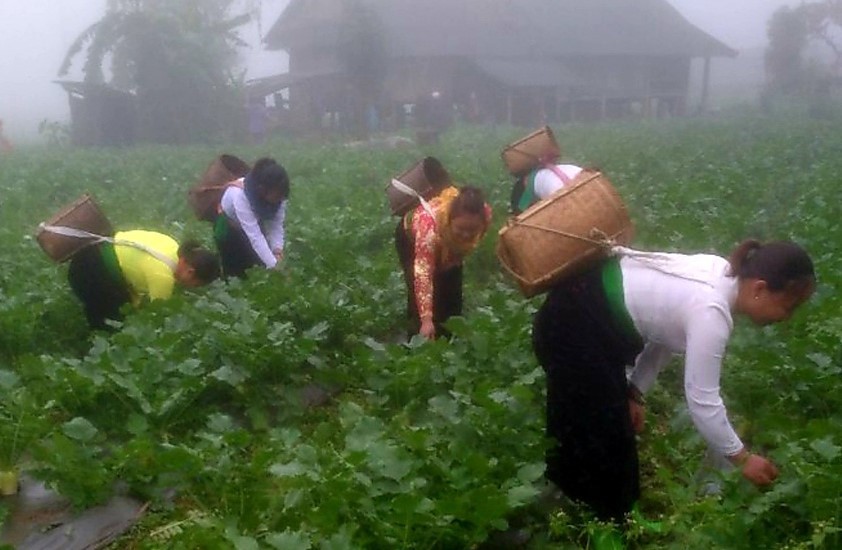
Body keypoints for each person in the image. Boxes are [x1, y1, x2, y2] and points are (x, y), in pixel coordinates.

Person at [532, 240, 815, 523]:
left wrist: (634, 392)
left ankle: (564, 505)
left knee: (587, 427)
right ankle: (599, 526)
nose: (786, 318)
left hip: (577, 315)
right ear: (759, 289)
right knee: (607, 449)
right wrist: (742, 458)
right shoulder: (711, 310)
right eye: (787, 307)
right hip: (572, 326)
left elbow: (664, 332)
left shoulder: (720, 273)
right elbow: (703, 401)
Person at [68, 230, 220, 330]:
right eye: (196, 284)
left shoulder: (172, 245)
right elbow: (157, 318)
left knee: (117, 312)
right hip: (89, 271)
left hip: (91, 253)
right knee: (110, 324)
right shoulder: (163, 276)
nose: (191, 287)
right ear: (190, 271)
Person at [395, 185, 492, 340]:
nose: (466, 235)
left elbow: (464, 245)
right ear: (450, 220)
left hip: (447, 242)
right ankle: (417, 341)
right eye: (461, 229)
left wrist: (451, 260)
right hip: (410, 238)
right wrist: (426, 320)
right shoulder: (429, 231)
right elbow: (423, 276)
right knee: (419, 296)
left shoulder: (485, 214)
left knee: (451, 287)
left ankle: (449, 337)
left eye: (472, 230)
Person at [213, 157, 290, 278]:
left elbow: (275, 225)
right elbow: (255, 236)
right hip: (229, 228)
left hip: (252, 226)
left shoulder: (280, 198)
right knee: (235, 272)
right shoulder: (240, 196)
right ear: (262, 189)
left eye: (281, 195)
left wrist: (277, 250)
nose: (279, 199)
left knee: (259, 267)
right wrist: (276, 267)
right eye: (276, 194)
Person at [510, 162, 583, 215]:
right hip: (587, 179)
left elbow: (520, 213)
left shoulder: (527, 185)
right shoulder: (559, 168)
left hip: (561, 195)